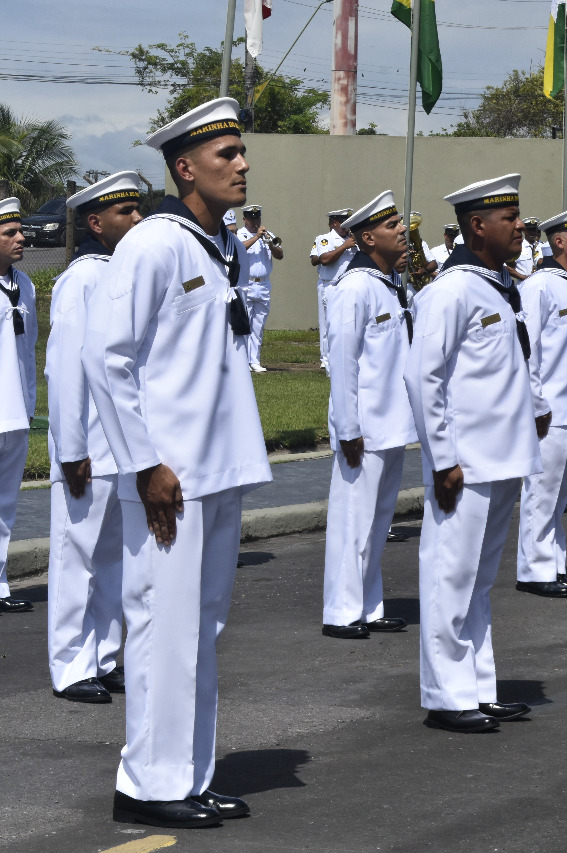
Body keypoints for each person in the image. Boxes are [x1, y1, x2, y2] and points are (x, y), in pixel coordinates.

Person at [84, 97, 271, 828]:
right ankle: (147, 781)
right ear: (185, 167)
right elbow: (109, 357)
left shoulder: (211, 242)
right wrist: (143, 463)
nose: (243, 164)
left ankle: (187, 773)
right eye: (227, 154)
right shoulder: (155, 243)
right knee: (163, 624)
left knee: (200, 628)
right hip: (169, 477)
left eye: (242, 151)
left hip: (214, 470)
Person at [406, 173, 548, 733]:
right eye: (507, 218)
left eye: (517, 216)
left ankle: (477, 687)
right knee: (450, 574)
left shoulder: (497, 286)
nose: (518, 226)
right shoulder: (451, 290)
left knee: (479, 581)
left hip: (502, 456)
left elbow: (509, 360)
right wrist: (442, 459)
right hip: (465, 462)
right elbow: (424, 379)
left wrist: (535, 403)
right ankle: (447, 696)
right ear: (476, 226)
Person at [45, 172, 140, 703]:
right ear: (95, 222)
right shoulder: (82, 277)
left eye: (137, 209)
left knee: (111, 559)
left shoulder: (119, 271)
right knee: (75, 554)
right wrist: (72, 447)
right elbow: (66, 370)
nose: (137, 219)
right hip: (89, 446)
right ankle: (70, 665)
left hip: (120, 444)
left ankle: (104, 656)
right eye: (125, 213)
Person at [319, 191, 416, 640]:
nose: (402, 229)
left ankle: (369, 605)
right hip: (364, 426)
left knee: (377, 522)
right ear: (365, 237)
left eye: (400, 222)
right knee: (352, 520)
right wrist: (347, 426)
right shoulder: (353, 287)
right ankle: (341, 611)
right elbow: (343, 362)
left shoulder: (387, 283)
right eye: (392, 224)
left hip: (391, 421)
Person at [515, 205, 567, 598]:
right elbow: (526, 350)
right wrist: (536, 404)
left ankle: (552, 564)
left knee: (559, 494)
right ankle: (534, 570)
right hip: (551, 408)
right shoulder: (540, 286)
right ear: (558, 241)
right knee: (541, 492)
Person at [0, 196, 36, 615]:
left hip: (15, 414)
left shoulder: (24, 284)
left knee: (5, 504)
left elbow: (28, 352)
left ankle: (1, 584)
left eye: (20, 231)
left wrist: (29, 404)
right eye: (9, 233)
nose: (20, 239)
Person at [236, 204, 283, 373]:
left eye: (257, 218)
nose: (255, 221)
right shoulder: (239, 234)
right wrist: (256, 237)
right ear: (244, 219)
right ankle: (242, 361)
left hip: (263, 284)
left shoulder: (267, 236)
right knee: (245, 324)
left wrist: (270, 243)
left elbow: (280, 255)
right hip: (246, 284)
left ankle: (254, 360)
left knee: (258, 325)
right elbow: (239, 249)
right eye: (252, 218)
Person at [311, 208, 357, 373]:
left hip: (349, 286)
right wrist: (344, 246)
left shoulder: (353, 240)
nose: (347, 226)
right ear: (333, 223)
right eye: (344, 222)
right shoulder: (325, 239)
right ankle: (327, 360)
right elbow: (324, 259)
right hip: (330, 285)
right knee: (328, 325)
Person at [509, 216, 541, 281]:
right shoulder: (517, 246)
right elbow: (506, 267)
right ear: (524, 230)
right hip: (522, 285)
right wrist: (523, 277)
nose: (532, 232)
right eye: (529, 230)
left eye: (534, 229)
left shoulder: (543, 246)